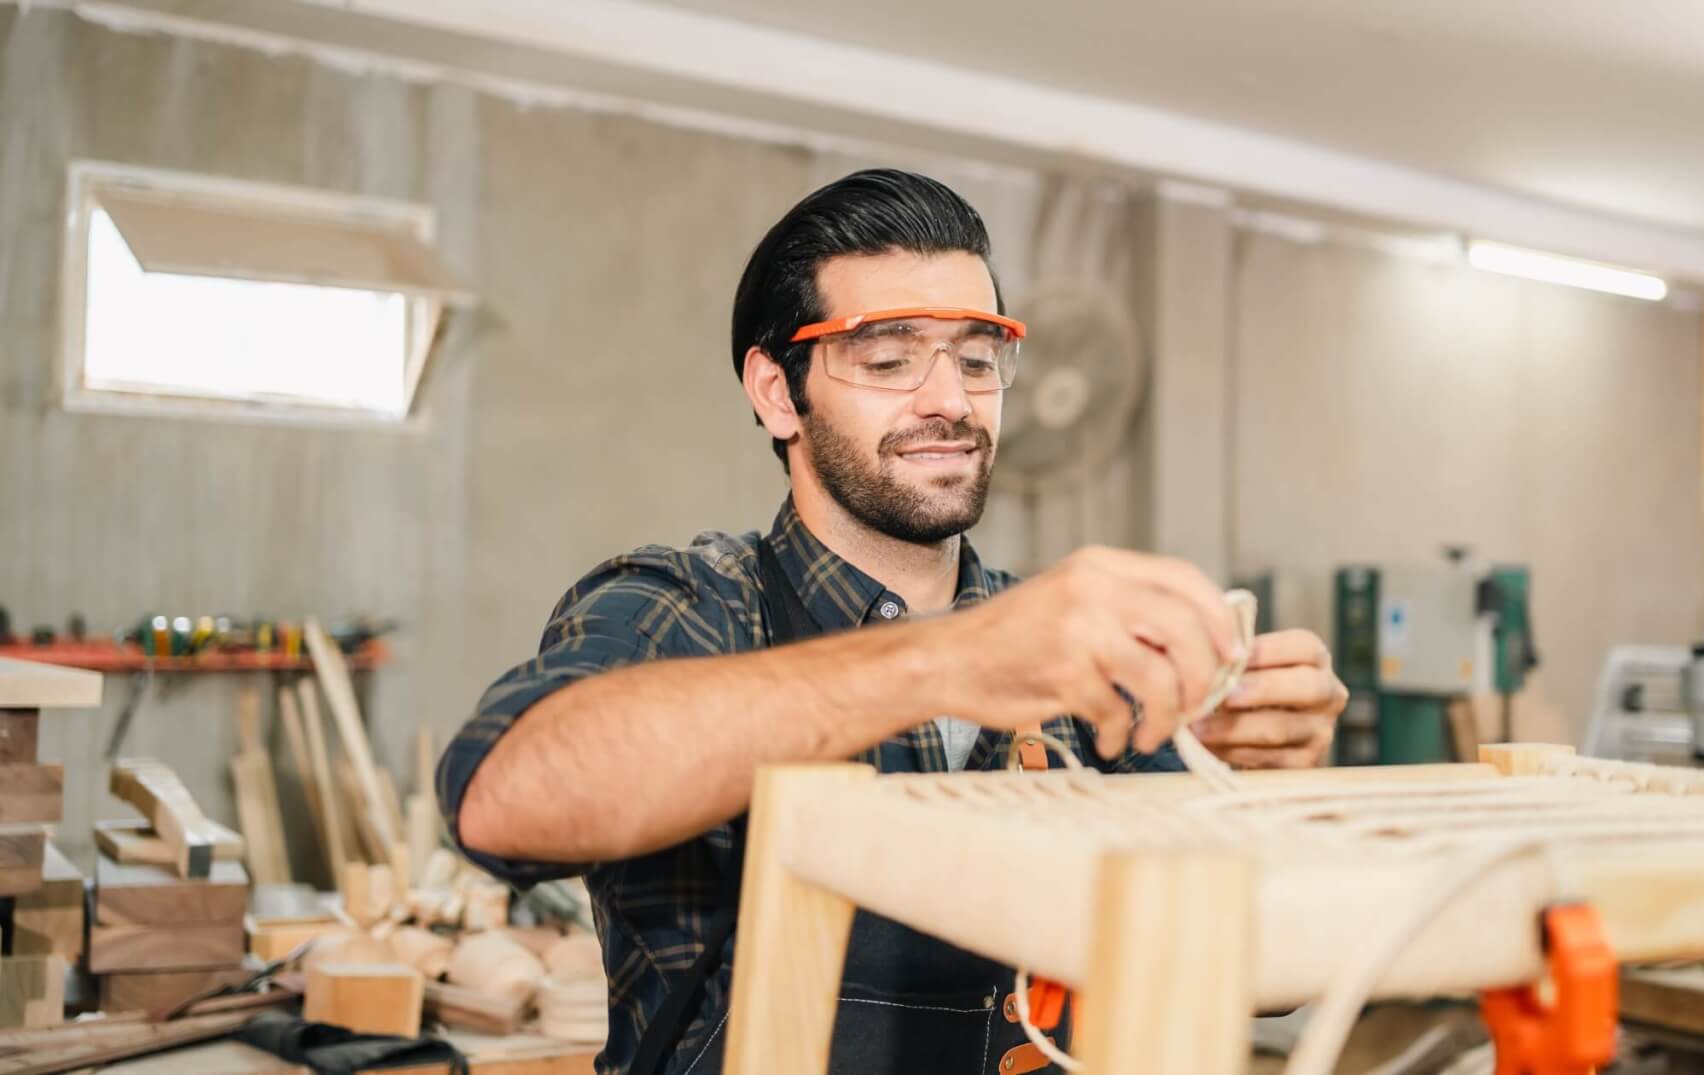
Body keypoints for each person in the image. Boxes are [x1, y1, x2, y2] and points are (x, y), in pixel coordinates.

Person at [437, 169, 1347, 1075]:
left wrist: (1251, 784)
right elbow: (500, 797)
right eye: (888, 358)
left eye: (978, 356)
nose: (950, 400)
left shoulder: (1073, 656)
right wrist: (944, 658)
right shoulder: (688, 604)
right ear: (776, 393)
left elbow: (1262, 975)